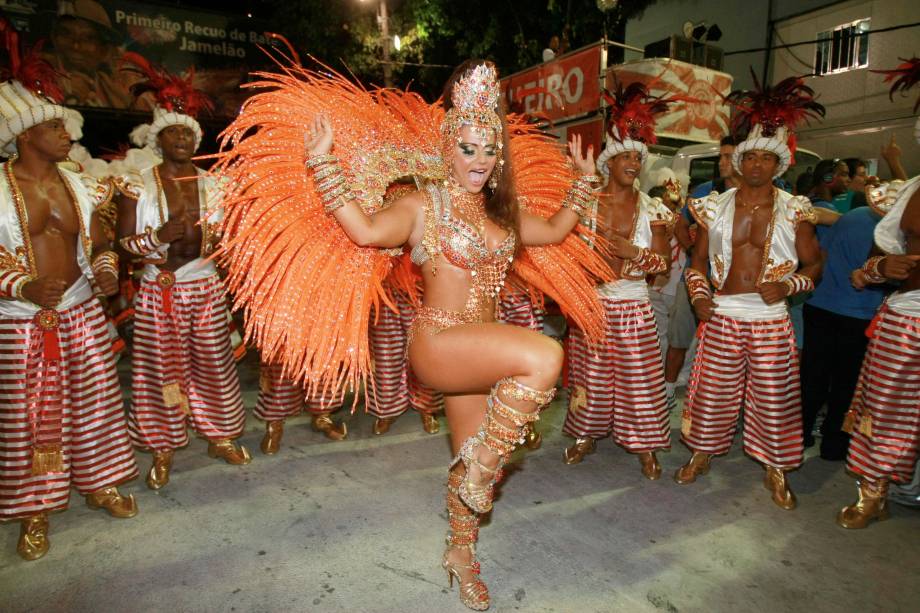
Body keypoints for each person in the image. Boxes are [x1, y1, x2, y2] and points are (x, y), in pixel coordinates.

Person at [211, 59, 610, 611]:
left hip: (482, 350)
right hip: (441, 344)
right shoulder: (423, 206)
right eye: (467, 148)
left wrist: (585, 182)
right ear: (447, 148)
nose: (478, 160)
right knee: (544, 354)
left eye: (488, 150)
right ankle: (482, 470)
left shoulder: (505, 214)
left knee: (473, 462)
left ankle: (460, 552)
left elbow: (559, 228)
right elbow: (366, 229)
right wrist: (324, 164)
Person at [0, 43, 138, 560]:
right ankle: (34, 510)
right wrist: (22, 287)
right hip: (20, 323)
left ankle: (99, 484)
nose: (69, 135)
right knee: (32, 418)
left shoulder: (81, 185)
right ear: (25, 135)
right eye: (57, 128)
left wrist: (104, 272)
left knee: (98, 403)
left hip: (80, 312)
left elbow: (101, 243)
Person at [676, 74, 824, 510]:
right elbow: (698, 263)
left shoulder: (796, 209)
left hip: (769, 318)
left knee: (775, 398)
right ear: (739, 161)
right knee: (710, 393)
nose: (757, 164)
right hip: (722, 312)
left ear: (779, 164)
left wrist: (789, 284)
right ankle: (701, 453)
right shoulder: (712, 207)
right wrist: (700, 296)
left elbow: (815, 265)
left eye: (766, 158)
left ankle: (776, 469)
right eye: (751, 157)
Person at [115, 56, 250, 491]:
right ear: (158, 139)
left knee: (214, 363)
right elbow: (123, 246)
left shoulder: (215, 185)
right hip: (160, 289)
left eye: (188, 133)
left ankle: (219, 434)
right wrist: (158, 236)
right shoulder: (137, 184)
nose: (182, 139)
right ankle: (164, 443)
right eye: (173, 132)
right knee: (161, 370)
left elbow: (229, 241)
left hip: (206, 286)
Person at [561, 79, 682, 478]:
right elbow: (563, 248)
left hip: (634, 306)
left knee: (641, 381)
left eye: (638, 156)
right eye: (625, 155)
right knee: (590, 377)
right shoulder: (586, 203)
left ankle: (646, 444)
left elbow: (661, 265)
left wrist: (632, 253)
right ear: (608, 161)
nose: (633, 163)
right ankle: (586, 435)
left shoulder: (654, 209)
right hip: (593, 304)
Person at [837, 56, 920, 529]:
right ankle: (875, 493)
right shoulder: (908, 193)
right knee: (885, 408)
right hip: (906, 315)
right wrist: (882, 267)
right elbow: (870, 264)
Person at [800, 205, 886, 460]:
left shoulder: (852, 217)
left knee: (812, 374)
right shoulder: (889, 232)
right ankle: (834, 443)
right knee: (845, 382)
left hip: (820, 304)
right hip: (859, 312)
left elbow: (821, 255)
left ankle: (800, 434)